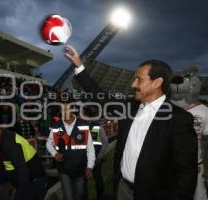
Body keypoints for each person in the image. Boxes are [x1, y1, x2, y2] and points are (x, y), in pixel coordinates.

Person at [65, 45, 197, 200]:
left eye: (139, 79)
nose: (133, 84)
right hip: (123, 190)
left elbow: (186, 173)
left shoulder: (179, 119)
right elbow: (100, 96)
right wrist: (79, 66)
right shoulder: (129, 107)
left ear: (157, 83)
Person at [0, 114, 47, 200]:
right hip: (31, 183)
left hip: (33, 184)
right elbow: (15, 167)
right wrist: (16, 187)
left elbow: (22, 170)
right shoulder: (5, 140)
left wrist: (20, 194)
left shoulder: (8, 141)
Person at [46, 101, 96, 200]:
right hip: (64, 169)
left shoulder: (83, 125)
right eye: (62, 109)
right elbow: (49, 143)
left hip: (80, 169)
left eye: (66, 109)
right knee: (68, 197)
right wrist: (55, 154)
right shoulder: (56, 126)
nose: (64, 112)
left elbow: (90, 148)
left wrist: (90, 167)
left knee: (79, 196)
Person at [170, 73, 208, 200]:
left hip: (195, 163)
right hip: (170, 162)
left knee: (199, 196)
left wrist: (203, 165)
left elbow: (206, 140)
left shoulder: (203, 110)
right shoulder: (167, 108)